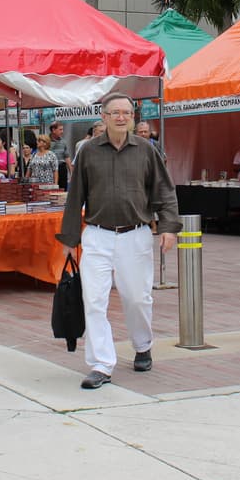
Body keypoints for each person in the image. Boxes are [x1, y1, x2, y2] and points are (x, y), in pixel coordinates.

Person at [58, 93, 180, 389]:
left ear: (133, 116)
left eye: (127, 112)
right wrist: (70, 236)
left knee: (137, 298)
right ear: (104, 116)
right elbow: (76, 196)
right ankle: (101, 364)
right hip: (97, 235)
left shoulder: (146, 151)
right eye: (115, 113)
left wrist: (168, 227)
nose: (122, 117)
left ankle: (142, 345)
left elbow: (164, 190)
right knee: (95, 300)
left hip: (135, 234)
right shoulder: (87, 151)